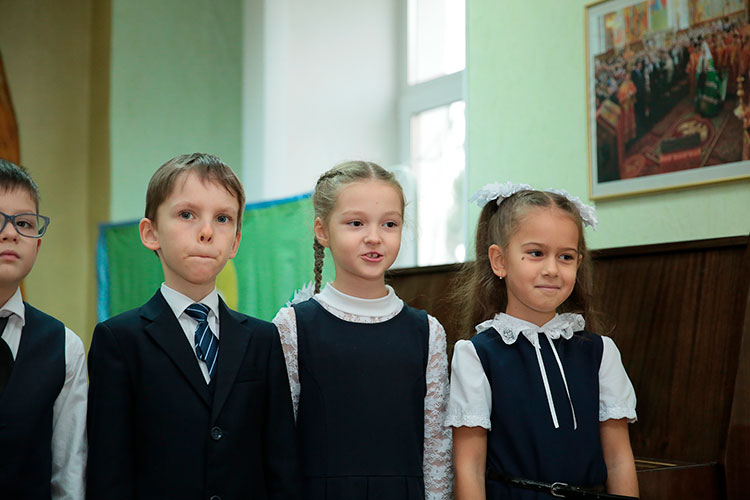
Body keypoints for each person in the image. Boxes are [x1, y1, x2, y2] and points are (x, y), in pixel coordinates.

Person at [87, 153, 300, 500]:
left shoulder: (262, 339)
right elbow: (109, 468)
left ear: (235, 241)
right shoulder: (120, 340)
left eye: (222, 218)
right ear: (150, 233)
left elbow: (281, 463)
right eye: (187, 214)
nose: (206, 232)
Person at [272, 160, 452, 499]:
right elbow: (279, 443)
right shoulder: (292, 326)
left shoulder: (428, 331)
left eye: (389, 224)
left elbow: (436, 450)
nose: (374, 237)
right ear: (322, 231)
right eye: (356, 223)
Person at [447, 182, 638, 499]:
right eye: (536, 253)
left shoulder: (600, 352)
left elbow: (619, 460)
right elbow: (469, 467)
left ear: (578, 263)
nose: (552, 269)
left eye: (565, 256)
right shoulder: (477, 356)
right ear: (499, 261)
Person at [0, 158, 87, 500]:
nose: (10, 233)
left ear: (37, 244)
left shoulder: (64, 346)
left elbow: (69, 471)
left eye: (23, 223)